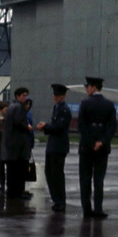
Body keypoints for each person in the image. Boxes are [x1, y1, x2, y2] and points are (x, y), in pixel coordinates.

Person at [78, 76, 116, 219]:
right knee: (99, 180)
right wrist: (102, 142)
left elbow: (81, 126)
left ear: (93, 87)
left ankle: (87, 210)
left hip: (87, 148)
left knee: (85, 179)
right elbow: (112, 127)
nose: (86, 89)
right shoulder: (109, 105)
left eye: (87, 87)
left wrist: (91, 142)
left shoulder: (85, 104)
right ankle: (98, 209)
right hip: (102, 148)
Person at [36, 84, 71, 212]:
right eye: (54, 95)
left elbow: (59, 126)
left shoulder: (64, 109)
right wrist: (46, 127)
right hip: (53, 145)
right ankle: (56, 199)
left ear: (63, 96)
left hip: (59, 146)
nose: (55, 97)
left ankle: (60, 201)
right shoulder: (57, 107)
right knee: (50, 173)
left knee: (57, 174)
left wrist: (46, 126)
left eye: (58, 95)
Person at [2, 88, 34, 199]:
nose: (25, 98)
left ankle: (12, 193)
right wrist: (27, 127)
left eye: (26, 95)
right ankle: (18, 192)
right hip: (18, 147)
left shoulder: (11, 107)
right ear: (17, 96)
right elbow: (18, 123)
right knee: (19, 171)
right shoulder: (19, 107)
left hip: (11, 146)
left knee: (11, 173)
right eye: (23, 95)